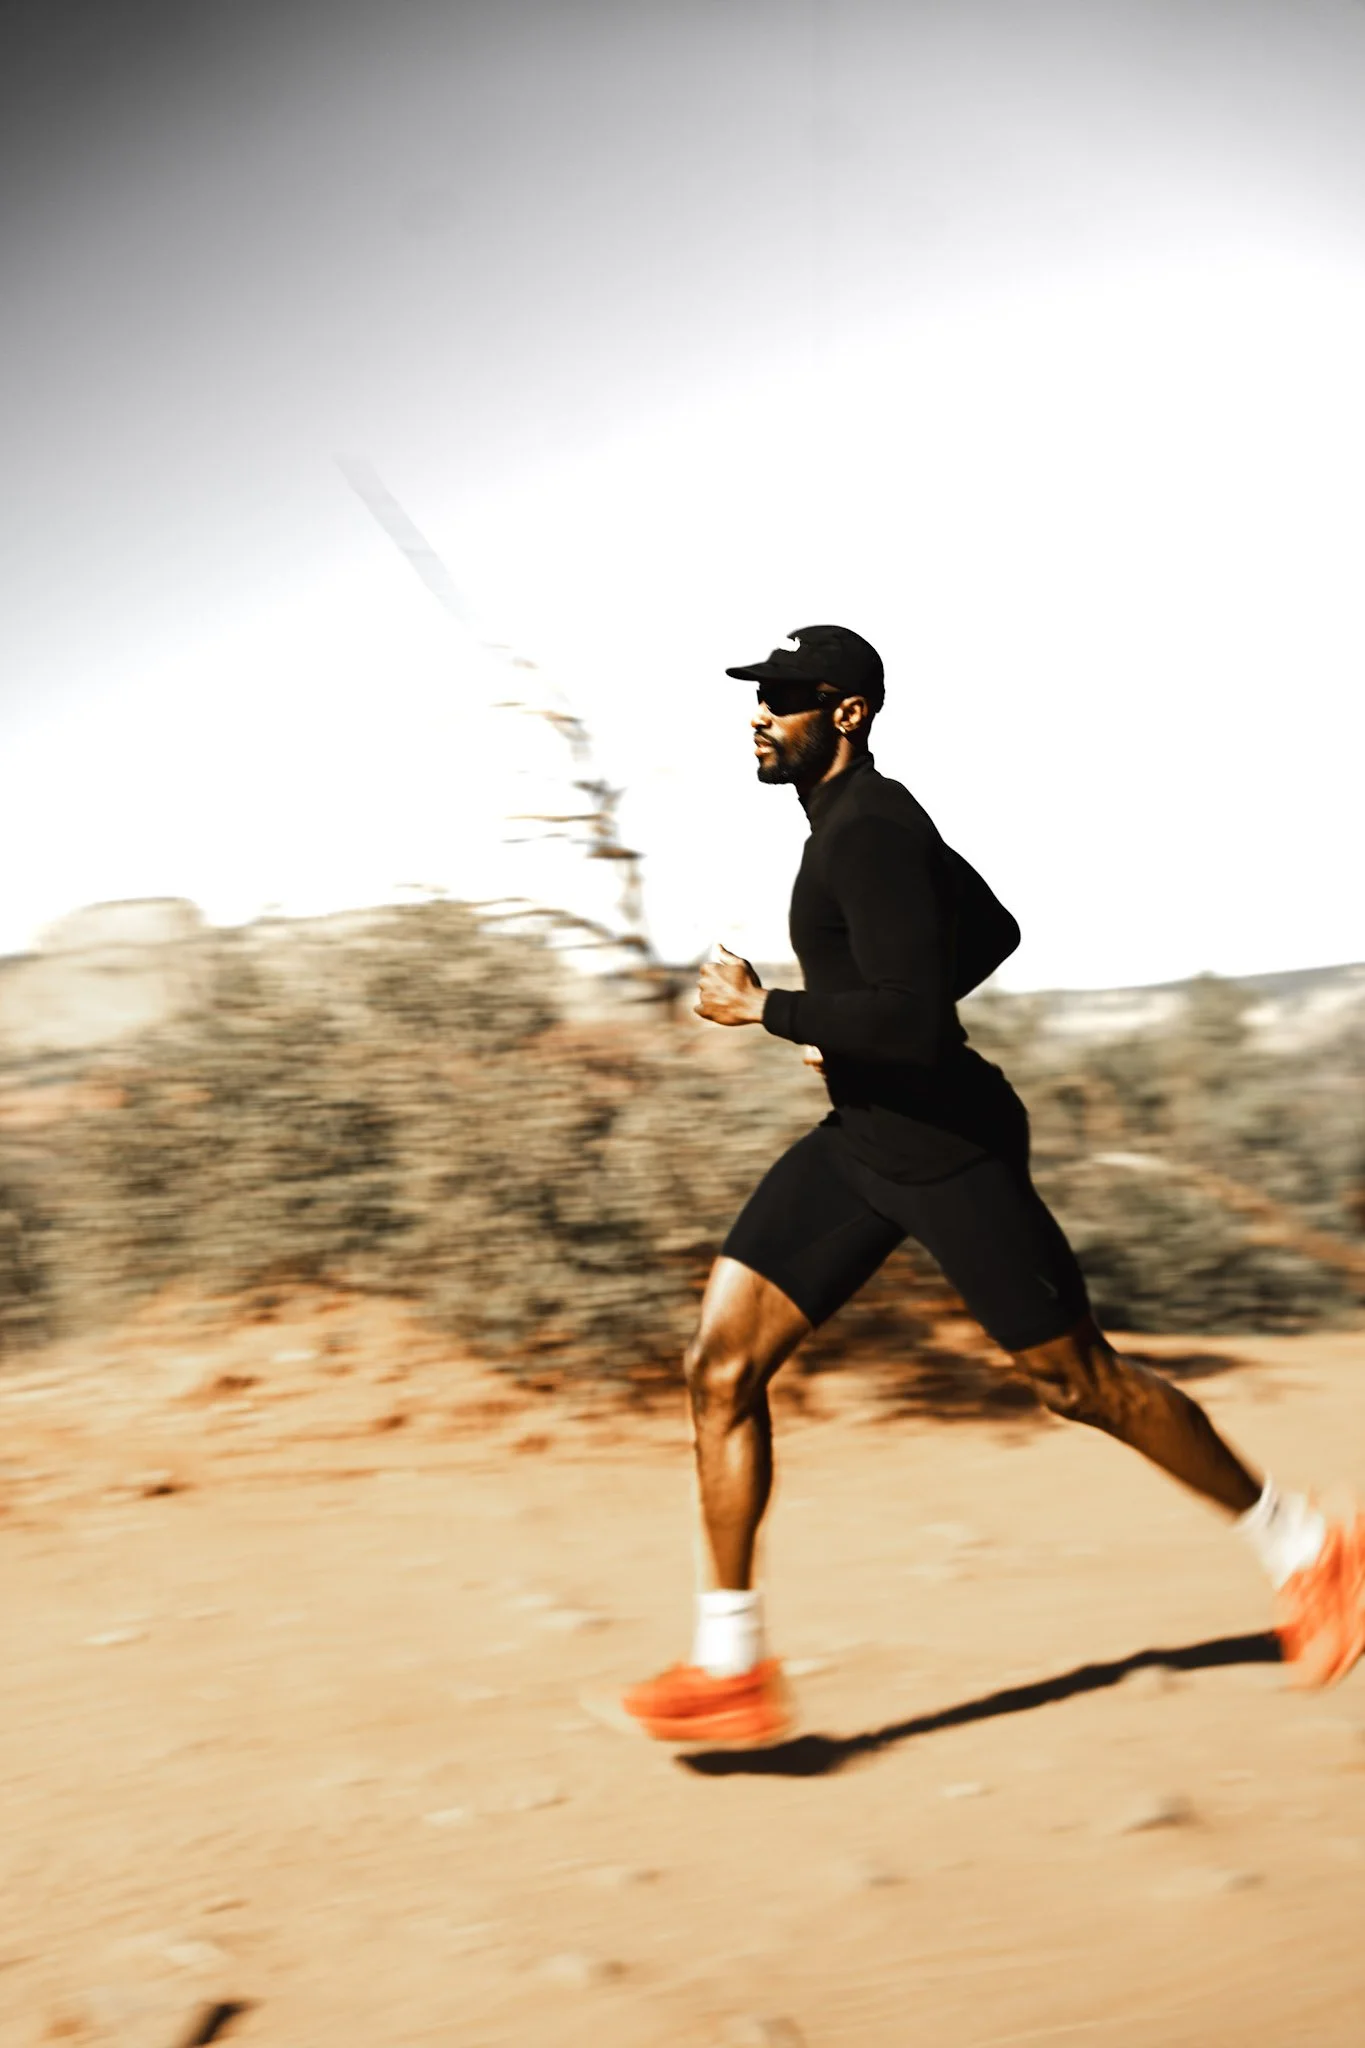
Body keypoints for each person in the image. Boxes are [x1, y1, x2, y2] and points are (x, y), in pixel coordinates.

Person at [621, 623, 1364, 1747]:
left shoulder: (872, 828)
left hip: (945, 1146)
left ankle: (1310, 1549)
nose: (760, 715)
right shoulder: (852, 819)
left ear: (846, 712)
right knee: (721, 1366)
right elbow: (991, 932)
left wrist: (769, 1010)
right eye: (758, 696)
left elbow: (918, 1024)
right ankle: (730, 1667)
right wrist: (843, 1030)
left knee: (1081, 1382)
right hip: (861, 1141)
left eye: (784, 697)